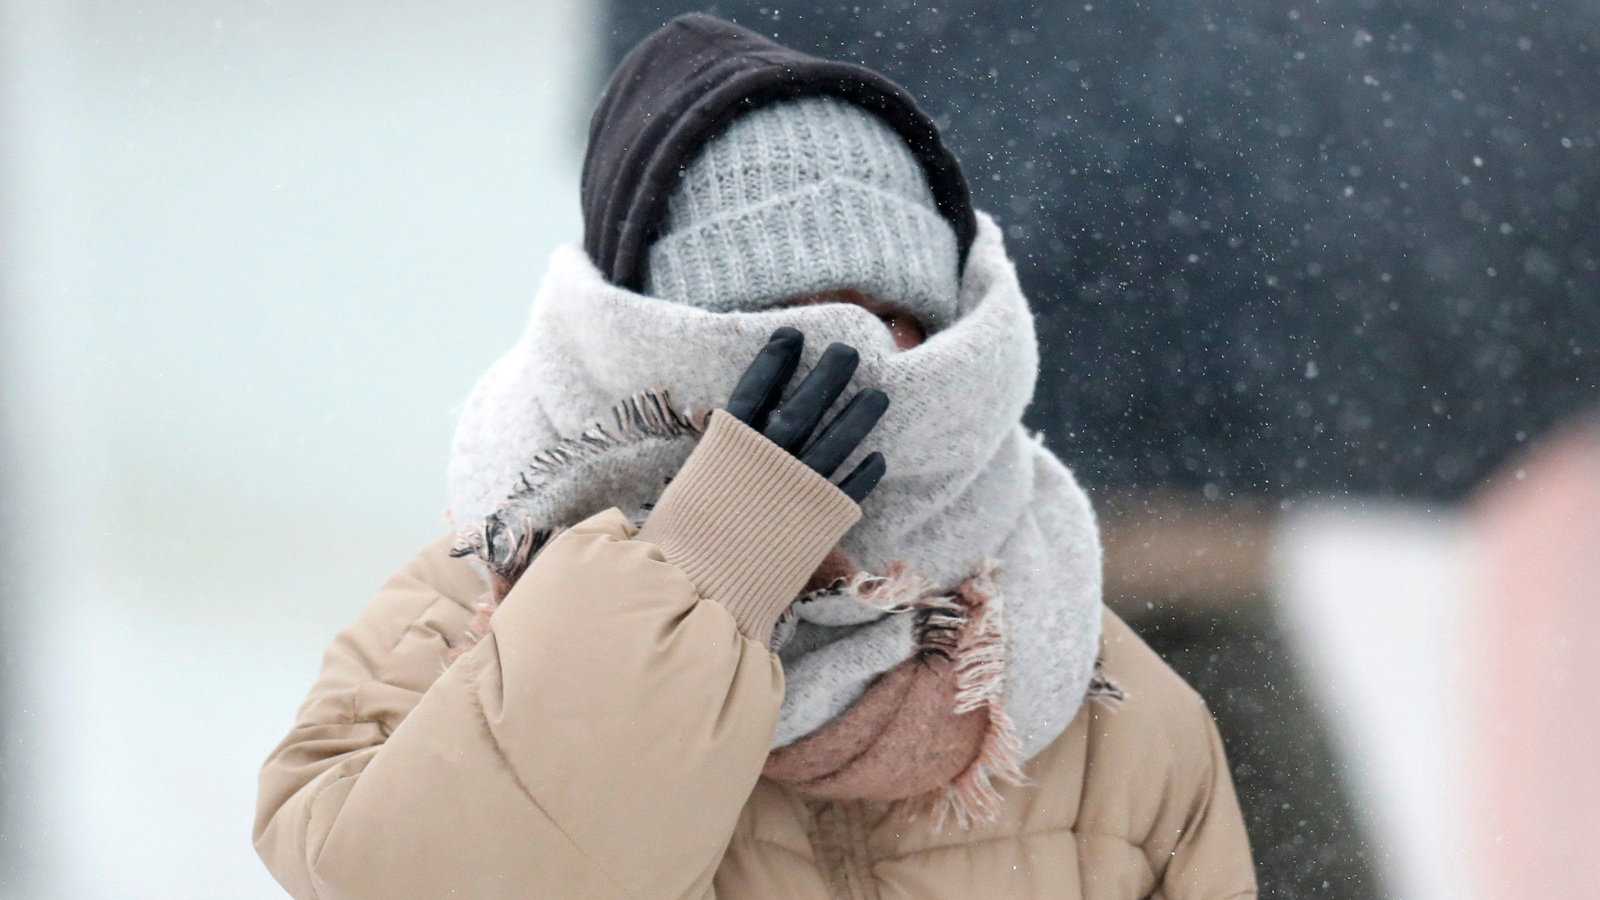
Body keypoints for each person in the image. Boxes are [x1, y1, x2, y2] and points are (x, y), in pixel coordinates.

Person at [254, 14, 1256, 899]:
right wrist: (704, 573)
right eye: (778, 331)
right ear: (652, 339)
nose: (855, 363)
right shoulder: (456, 622)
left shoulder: (1086, 684)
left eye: (891, 320)